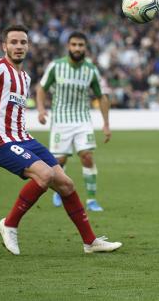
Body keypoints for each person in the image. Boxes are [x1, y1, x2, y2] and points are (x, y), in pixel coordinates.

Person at [0, 25, 122, 255]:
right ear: (4, 46)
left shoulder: (25, 77)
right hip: (2, 142)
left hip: (25, 139)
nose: (19, 46)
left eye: (23, 42)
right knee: (45, 175)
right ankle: (9, 224)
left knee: (67, 184)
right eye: (13, 42)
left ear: (28, 46)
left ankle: (90, 242)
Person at [36, 31, 111, 212]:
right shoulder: (56, 66)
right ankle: (59, 191)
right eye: (74, 45)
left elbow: (102, 96)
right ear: (68, 47)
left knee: (87, 156)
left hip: (82, 119)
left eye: (81, 45)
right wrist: (40, 109)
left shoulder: (91, 70)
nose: (77, 48)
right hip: (60, 120)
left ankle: (91, 200)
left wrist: (106, 123)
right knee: (58, 160)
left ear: (85, 47)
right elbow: (41, 88)